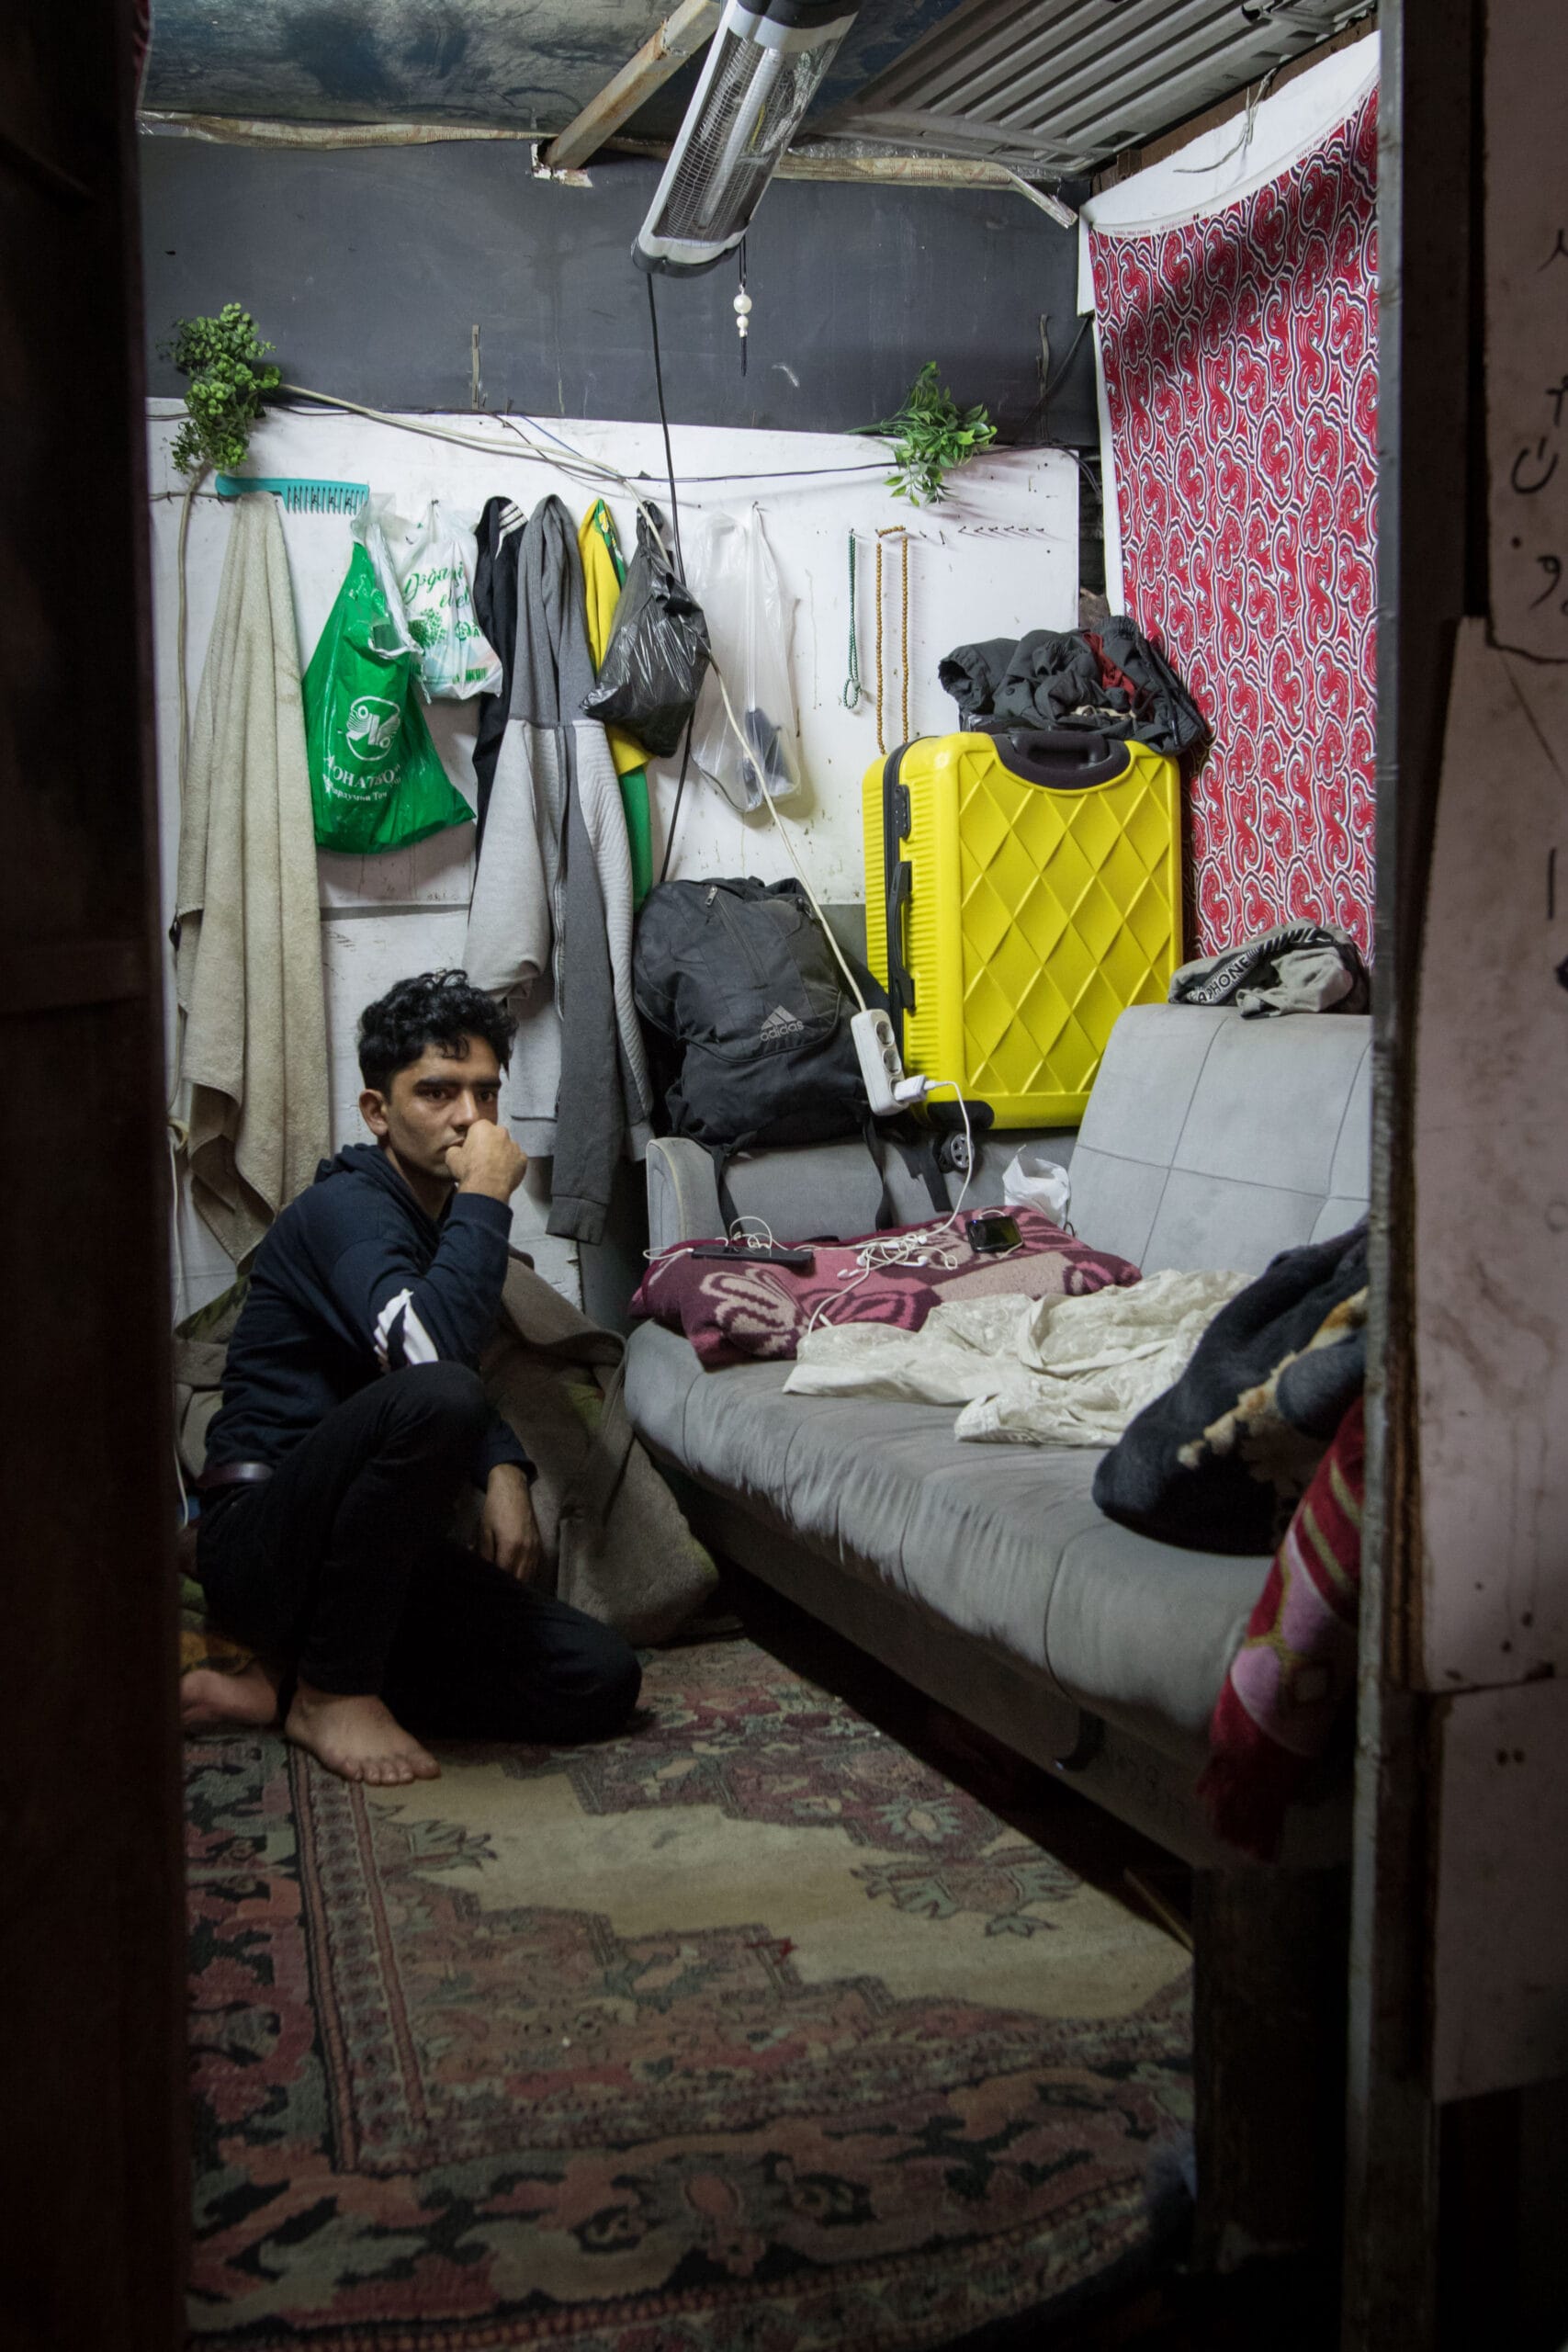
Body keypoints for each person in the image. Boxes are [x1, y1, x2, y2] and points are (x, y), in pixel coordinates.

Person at [181, 969, 642, 1785]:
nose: (469, 1117)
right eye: (436, 1092)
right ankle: (332, 1692)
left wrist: (501, 1463)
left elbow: (445, 1362)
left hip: (369, 1563)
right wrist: (488, 1194)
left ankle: (278, 1683)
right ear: (376, 1111)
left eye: (484, 1092)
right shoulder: (347, 1209)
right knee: (441, 1394)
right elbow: (426, 1356)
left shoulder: (437, 1220)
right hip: (265, 1543)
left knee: (598, 1676)